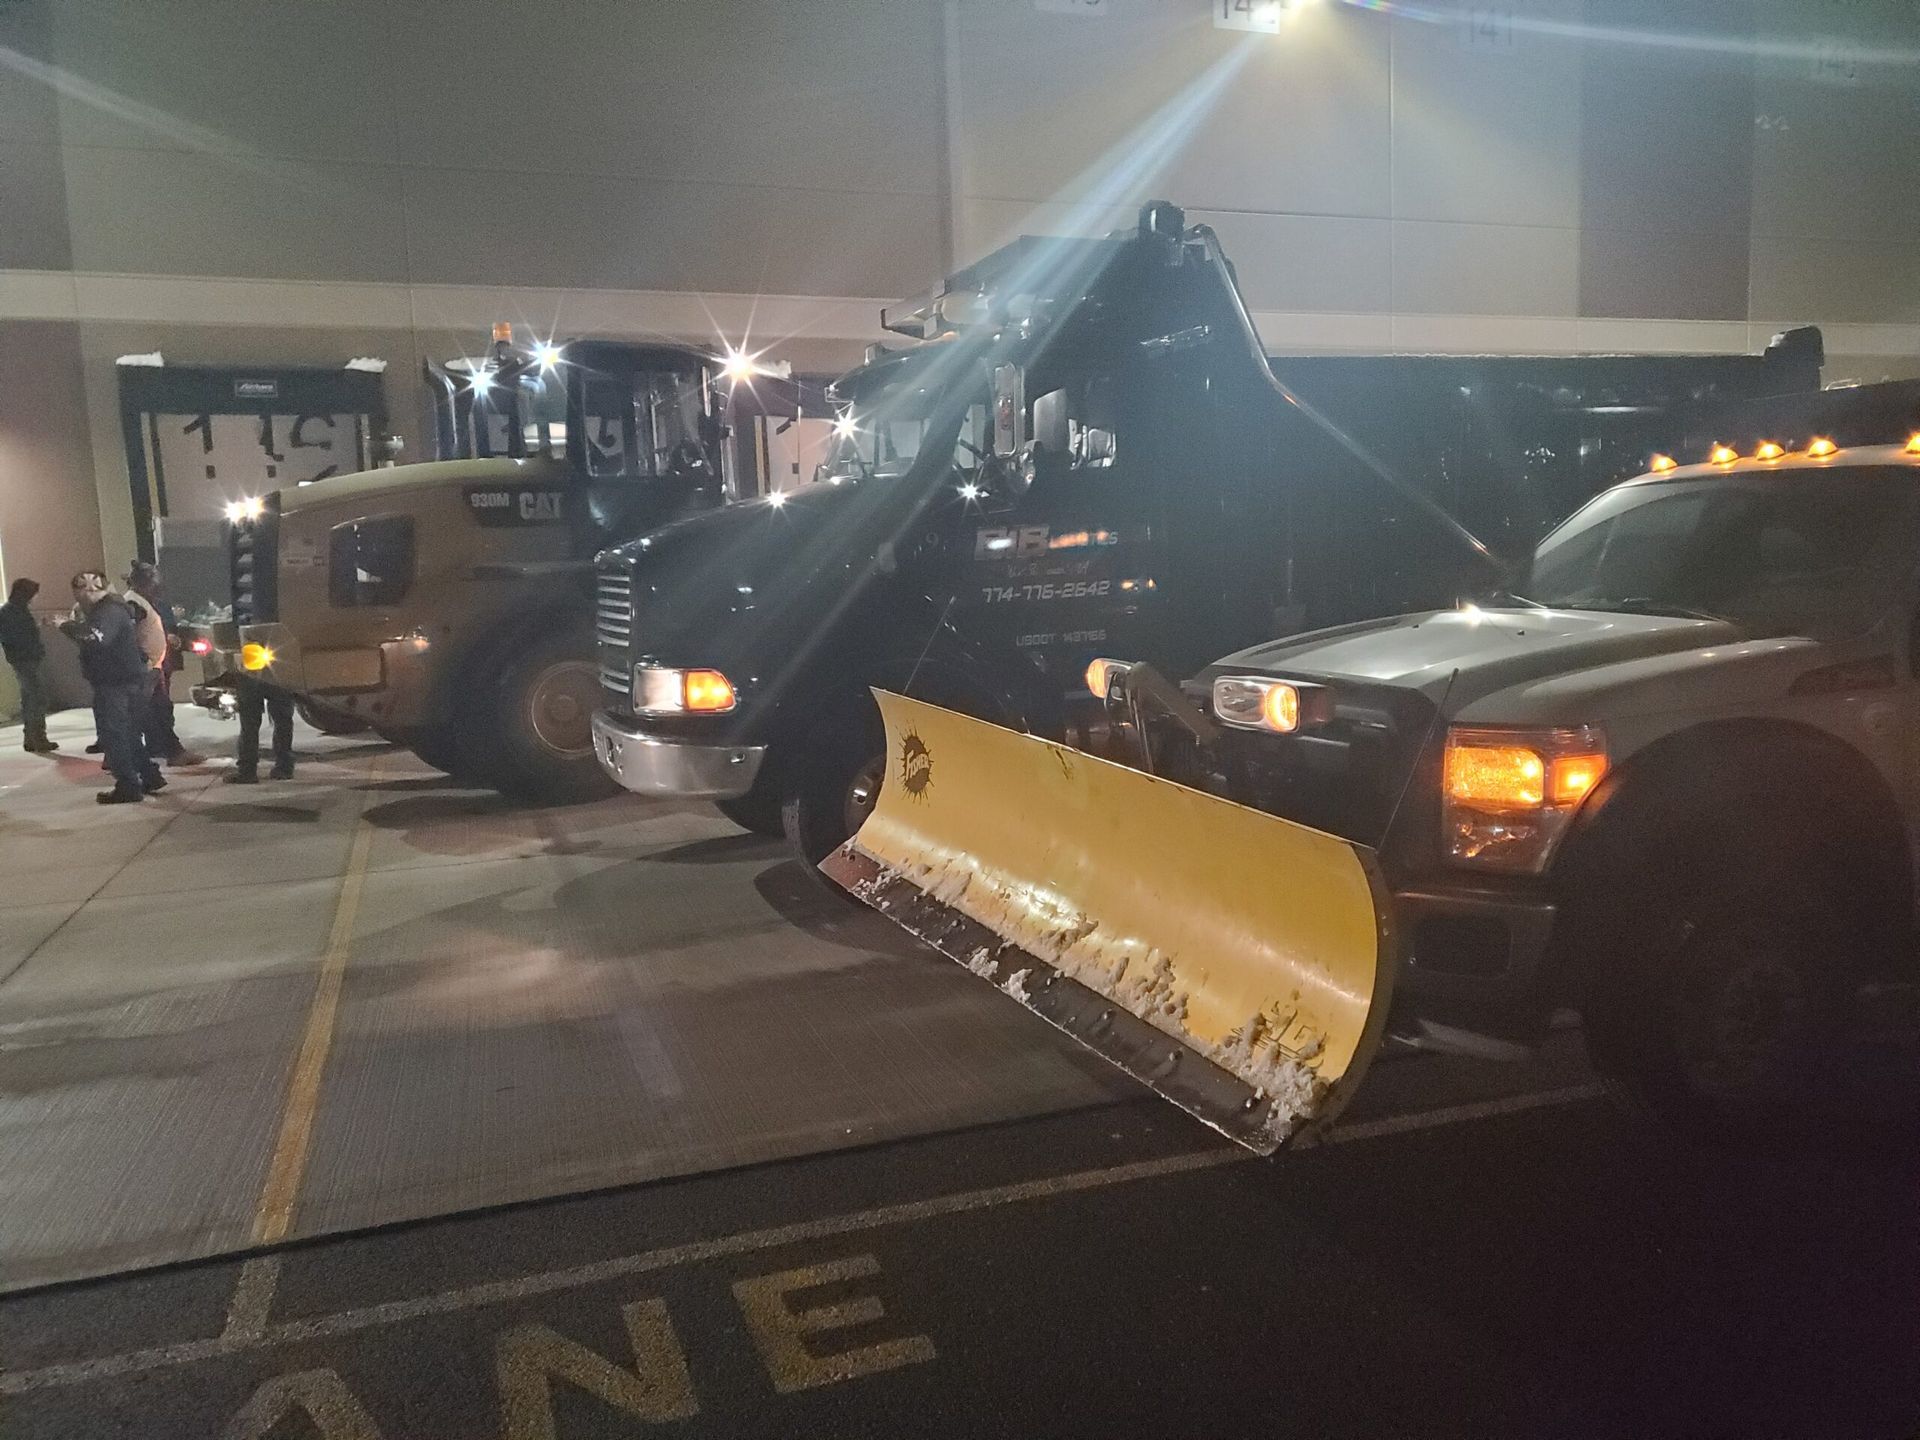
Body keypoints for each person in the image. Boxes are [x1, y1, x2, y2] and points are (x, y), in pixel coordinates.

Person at [59, 571, 164, 803]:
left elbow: (96, 639)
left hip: (115, 682)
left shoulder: (107, 612)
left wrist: (66, 626)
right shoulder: (114, 609)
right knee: (127, 733)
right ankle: (148, 776)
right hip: (126, 679)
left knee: (115, 735)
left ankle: (128, 785)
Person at [125, 560, 206, 767]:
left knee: (155, 711)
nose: (159, 583)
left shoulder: (144, 602)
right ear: (147, 582)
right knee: (154, 712)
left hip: (153, 667)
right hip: (147, 669)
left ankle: (162, 750)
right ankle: (171, 752)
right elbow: (128, 635)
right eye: (155, 578)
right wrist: (143, 660)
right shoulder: (134, 604)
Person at [0, 578, 55, 753]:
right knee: (37, 699)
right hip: (25, 660)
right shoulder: (11, 613)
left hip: (23, 659)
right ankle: (38, 738)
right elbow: (16, 636)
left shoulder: (13, 611)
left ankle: (31, 738)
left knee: (29, 699)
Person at [227, 675, 295, 784]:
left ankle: (247, 771)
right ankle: (284, 767)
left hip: (251, 671)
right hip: (279, 671)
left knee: (249, 724)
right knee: (283, 721)